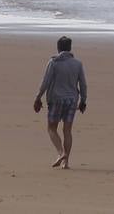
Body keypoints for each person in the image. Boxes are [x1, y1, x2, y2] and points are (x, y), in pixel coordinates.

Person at [32, 35, 87, 169]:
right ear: (70, 48)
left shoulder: (53, 62)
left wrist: (38, 97)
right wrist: (83, 100)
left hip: (56, 99)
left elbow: (46, 82)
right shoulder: (77, 63)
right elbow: (83, 84)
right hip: (72, 100)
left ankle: (61, 153)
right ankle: (66, 162)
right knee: (67, 130)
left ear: (58, 48)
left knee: (51, 128)